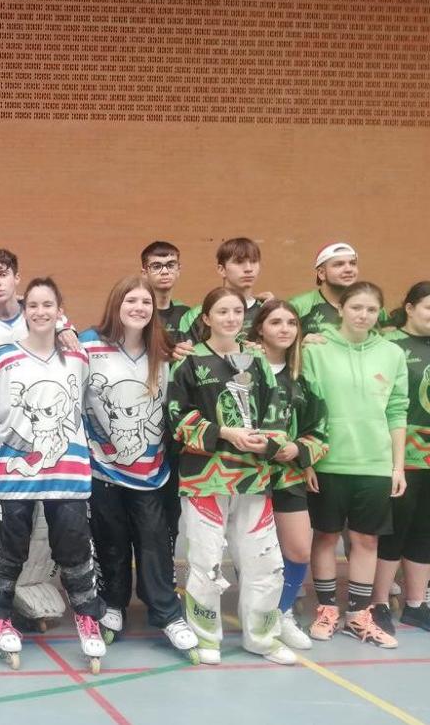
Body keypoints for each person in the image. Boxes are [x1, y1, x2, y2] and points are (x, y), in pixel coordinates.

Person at [0, 278, 107, 671]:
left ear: (58, 310)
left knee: (73, 545)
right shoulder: (2, 357)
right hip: (11, 473)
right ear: (25, 309)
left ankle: (87, 615)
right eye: (32, 305)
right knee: (9, 549)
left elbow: (87, 409)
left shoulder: (79, 358)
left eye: (47, 305)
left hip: (68, 473)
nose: (39, 312)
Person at [169, 286, 293, 664]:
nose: (231, 318)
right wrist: (225, 433)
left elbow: (277, 412)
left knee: (265, 563)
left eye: (237, 311)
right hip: (205, 478)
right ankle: (207, 638)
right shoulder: (188, 363)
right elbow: (177, 419)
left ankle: (263, 637)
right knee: (206, 562)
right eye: (222, 311)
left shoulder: (256, 362)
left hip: (254, 478)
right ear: (206, 318)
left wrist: (266, 441)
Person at [80, 275, 198, 658]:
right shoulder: (87, 346)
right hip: (102, 468)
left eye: (145, 302)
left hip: (152, 471)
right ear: (117, 304)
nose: (138, 308)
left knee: (153, 544)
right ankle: (112, 605)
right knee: (110, 543)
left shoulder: (165, 352)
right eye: (131, 300)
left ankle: (166, 612)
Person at [304, 281, 408, 647]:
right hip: (328, 462)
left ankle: (358, 614)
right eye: (356, 308)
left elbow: (397, 412)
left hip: (374, 465)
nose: (363, 315)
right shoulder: (315, 348)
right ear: (341, 310)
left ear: (378, 314)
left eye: (371, 309)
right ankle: (328, 609)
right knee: (326, 536)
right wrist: (308, 459)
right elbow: (306, 406)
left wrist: (396, 467)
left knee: (366, 539)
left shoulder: (392, 353)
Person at [248, 299, 328, 651]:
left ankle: (282, 613)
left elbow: (320, 428)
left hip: (288, 476)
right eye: (276, 321)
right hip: (245, 475)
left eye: (291, 323)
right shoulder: (242, 369)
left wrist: (300, 450)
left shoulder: (304, 377)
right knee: (254, 555)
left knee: (297, 549)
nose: (284, 328)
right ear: (260, 328)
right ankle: (255, 618)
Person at [377, 282, 430, 631]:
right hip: (401, 454)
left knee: (424, 531)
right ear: (409, 308)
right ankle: (378, 603)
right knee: (394, 530)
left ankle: (415, 604)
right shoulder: (387, 344)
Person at [181, 237, 267, 341]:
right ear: (222, 270)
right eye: (239, 262)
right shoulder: (197, 315)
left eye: (254, 261)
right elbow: (185, 354)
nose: (248, 269)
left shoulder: (268, 310)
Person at [288, 242, 364, 336]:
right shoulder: (298, 306)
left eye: (353, 263)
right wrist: (300, 343)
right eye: (339, 264)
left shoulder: (370, 305)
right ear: (321, 273)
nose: (349, 269)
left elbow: (387, 336)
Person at [140, 241, 191, 343]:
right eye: (156, 266)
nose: (164, 272)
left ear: (178, 270)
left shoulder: (186, 314)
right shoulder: (136, 312)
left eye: (171, 265)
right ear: (144, 273)